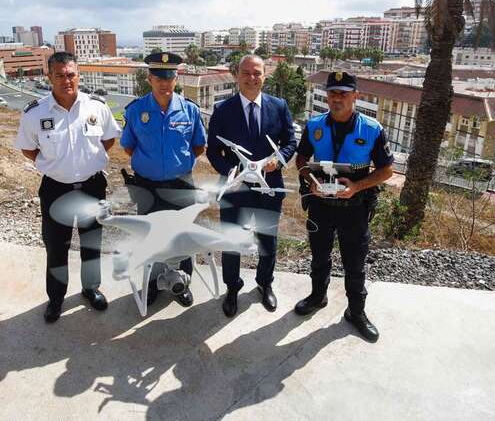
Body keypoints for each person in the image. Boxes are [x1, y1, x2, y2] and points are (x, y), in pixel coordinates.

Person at [15, 51, 121, 323]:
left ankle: (91, 288)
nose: (66, 80)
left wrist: (88, 162)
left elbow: (108, 140)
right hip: (55, 189)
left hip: (92, 187)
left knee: (91, 243)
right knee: (56, 247)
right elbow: (28, 149)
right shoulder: (35, 113)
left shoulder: (96, 107)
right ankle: (56, 299)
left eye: (71, 74)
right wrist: (55, 165)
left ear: (78, 75)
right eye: (59, 75)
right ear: (49, 76)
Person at [294, 70, 394, 342]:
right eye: (332, 93)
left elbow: (386, 171)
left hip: (356, 208)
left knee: (355, 264)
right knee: (319, 257)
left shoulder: (372, 129)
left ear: (355, 96)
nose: (337, 98)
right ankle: (317, 297)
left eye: (343, 93)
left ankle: (356, 312)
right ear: (326, 95)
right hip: (321, 206)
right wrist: (310, 180)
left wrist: (357, 187)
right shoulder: (314, 125)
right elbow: (301, 158)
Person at [207, 54, 297, 317]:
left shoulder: (279, 106)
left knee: (267, 240)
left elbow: (290, 142)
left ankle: (264, 283)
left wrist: (278, 162)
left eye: (257, 73)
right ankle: (232, 288)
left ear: (264, 76)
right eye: (246, 73)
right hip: (235, 189)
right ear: (237, 75)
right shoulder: (223, 110)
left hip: (269, 187)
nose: (251, 78)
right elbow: (214, 151)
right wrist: (230, 171)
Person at [120, 51, 206, 307]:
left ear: (176, 77)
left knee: (183, 236)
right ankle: (155, 283)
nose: (164, 81)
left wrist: (175, 166)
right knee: (152, 238)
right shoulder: (136, 110)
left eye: (169, 76)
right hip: (148, 187)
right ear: (149, 77)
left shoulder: (189, 110)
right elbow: (128, 146)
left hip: (181, 184)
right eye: (159, 76)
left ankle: (182, 284)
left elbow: (199, 146)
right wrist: (153, 166)